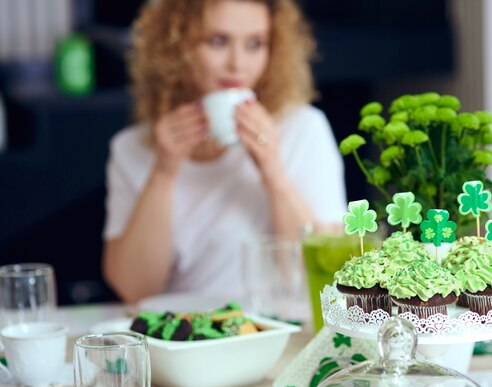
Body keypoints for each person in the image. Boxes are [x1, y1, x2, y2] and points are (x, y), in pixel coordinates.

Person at [103, 0, 347, 303]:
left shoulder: (304, 129)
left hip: (278, 328)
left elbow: (327, 273)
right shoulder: (132, 148)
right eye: (218, 41)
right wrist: (164, 171)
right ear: (176, 48)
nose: (238, 64)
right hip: (186, 334)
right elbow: (135, 289)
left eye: (255, 44)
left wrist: (274, 172)